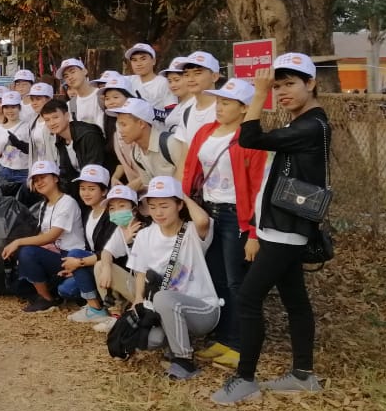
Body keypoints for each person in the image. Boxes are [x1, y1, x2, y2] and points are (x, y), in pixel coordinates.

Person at [213, 55, 331, 405]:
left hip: (286, 230)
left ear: (311, 84)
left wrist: (259, 93)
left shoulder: (312, 125)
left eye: (289, 84)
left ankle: (245, 379)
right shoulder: (305, 122)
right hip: (281, 226)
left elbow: (249, 137)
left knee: (249, 298)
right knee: (296, 301)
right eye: (277, 86)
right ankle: (303, 375)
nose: (281, 92)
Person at [181, 78, 266, 370]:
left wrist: (253, 232)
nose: (219, 107)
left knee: (236, 280)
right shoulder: (206, 131)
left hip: (235, 216)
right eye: (218, 101)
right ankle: (224, 337)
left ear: (244, 109)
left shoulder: (251, 139)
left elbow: (257, 187)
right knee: (215, 277)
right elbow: (190, 169)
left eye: (226, 103)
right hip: (208, 212)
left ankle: (241, 344)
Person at [128, 176, 219, 381]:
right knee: (150, 340)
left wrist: (182, 194)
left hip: (203, 309)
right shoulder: (145, 235)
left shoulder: (192, 231)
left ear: (179, 205)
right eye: (152, 206)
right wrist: (137, 300)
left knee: (163, 297)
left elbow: (203, 220)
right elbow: (140, 271)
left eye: (164, 206)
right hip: (163, 309)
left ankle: (184, 361)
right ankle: (174, 342)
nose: (158, 213)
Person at [0, 160, 86, 313]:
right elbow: (42, 233)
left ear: (56, 178)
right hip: (56, 253)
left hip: (71, 256)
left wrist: (18, 242)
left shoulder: (67, 202)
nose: (39, 182)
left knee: (27, 252)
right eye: (36, 180)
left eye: (43, 177)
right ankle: (51, 289)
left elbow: (51, 236)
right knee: (19, 284)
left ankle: (47, 299)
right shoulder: (44, 204)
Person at [61, 164, 116, 324]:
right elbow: (89, 248)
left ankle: (95, 309)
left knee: (74, 255)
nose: (86, 193)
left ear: (104, 191)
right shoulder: (88, 213)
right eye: (82, 188)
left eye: (91, 189)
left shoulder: (111, 215)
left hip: (109, 265)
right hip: (94, 263)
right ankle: (95, 302)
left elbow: (109, 251)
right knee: (65, 289)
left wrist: (79, 263)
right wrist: (75, 267)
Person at [92, 183, 144, 329]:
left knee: (101, 265)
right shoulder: (121, 229)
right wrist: (107, 269)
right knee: (101, 266)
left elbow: (145, 268)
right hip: (136, 285)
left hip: (149, 289)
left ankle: (134, 312)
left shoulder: (144, 229)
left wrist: (130, 243)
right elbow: (107, 252)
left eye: (122, 206)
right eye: (112, 208)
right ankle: (115, 315)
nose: (116, 211)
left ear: (134, 210)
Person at [110, 97, 187, 193]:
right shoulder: (135, 154)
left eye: (124, 125)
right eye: (119, 125)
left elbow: (189, 178)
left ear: (141, 124)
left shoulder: (171, 143)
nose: (120, 131)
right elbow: (149, 186)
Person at [41, 98, 105, 188]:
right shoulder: (60, 139)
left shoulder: (88, 135)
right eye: (47, 120)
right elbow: (66, 173)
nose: (52, 123)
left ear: (67, 116)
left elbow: (94, 171)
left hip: (99, 185)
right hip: (81, 186)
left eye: (55, 117)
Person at [0, 90, 28, 187]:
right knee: (6, 197)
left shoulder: (28, 127)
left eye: (13, 107)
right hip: (5, 171)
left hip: (24, 172)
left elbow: (33, 151)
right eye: (6, 107)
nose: (10, 111)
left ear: (19, 108)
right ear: (3, 109)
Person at [177, 51, 221, 144]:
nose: (190, 79)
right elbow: (185, 150)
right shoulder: (186, 112)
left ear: (214, 76)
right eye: (186, 75)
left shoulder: (226, 110)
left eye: (197, 73)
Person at [125, 43, 175, 112]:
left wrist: (149, 112)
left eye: (143, 59)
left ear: (153, 61)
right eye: (134, 60)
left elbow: (171, 112)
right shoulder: (127, 81)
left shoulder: (164, 83)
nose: (138, 64)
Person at [56, 58, 105, 128]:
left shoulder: (103, 96)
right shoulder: (70, 105)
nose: (70, 77)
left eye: (73, 72)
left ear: (84, 71)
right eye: (66, 76)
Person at [25, 82, 57, 164]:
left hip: (55, 168)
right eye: (32, 99)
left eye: (38, 99)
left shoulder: (58, 120)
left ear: (49, 99)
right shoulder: (33, 121)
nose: (34, 103)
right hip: (39, 168)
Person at [162, 56, 193, 132]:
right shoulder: (179, 106)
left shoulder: (197, 105)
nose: (172, 85)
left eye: (176, 80)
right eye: (170, 81)